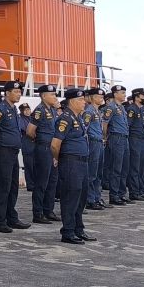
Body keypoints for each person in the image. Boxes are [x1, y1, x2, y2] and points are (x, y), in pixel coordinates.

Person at [0, 82, 30, 234]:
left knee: (13, 186)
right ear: (7, 93)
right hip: (3, 151)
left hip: (13, 151)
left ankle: (12, 217)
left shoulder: (13, 109)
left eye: (19, 91)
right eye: (16, 91)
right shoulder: (1, 109)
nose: (19, 94)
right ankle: (0, 221)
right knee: (3, 187)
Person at [51, 87, 93, 245]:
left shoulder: (78, 117)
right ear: (73, 101)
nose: (84, 102)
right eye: (81, 100)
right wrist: (58, 159)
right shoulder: (65, 118)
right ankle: (68, 231)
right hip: (70, 162)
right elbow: (55, 144)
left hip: (82, 162)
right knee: (70, 197)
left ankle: (78, 229)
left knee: (81, 197)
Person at [27, 84, 61, 224]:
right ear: (43, 96)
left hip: (52, 149)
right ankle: (38, 213)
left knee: (52, 181)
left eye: (55, 94)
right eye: (52, 95)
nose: (54, 97)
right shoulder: (39, 110)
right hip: (43, 149)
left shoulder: (52, 110)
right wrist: (40, 140)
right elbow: (30, 131)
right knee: (42, 182)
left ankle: (49, 210)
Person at [102, 85, 130, 205]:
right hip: (116, 138)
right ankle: (114, 195)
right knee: (116, 168)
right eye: (122, 92)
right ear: (115, 94)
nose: (124, 95)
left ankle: (121, 193)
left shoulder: (122, 107)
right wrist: (104, 137)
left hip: (124, 138)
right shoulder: (110, 107)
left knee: (124, 168)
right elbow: (104, 124)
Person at [84, 88, 107, 210]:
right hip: (93, 142)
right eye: (98, 96)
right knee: (92, 172)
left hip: (99, 142)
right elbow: (85, 130)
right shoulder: (89, 111)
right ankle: (90, 199)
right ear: (92, 97)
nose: (101, 97)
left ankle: (97, 198)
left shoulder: (97, 111)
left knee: (98, 172)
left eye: (102, 96)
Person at [126, 88, 144, 201]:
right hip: (134, 140)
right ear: (137, 97)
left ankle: (139, 190)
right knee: (135, 167)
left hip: (142, 139)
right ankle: (134, 192)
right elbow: (128, 126)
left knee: (141, 166)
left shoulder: (142, 109)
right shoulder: (132, 109)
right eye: (143, 96)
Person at [18, 102, 35, 192]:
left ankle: (34, 183)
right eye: (26, 110)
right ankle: (30, 184)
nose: (28, 111)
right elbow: (25, 130)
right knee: (29, 166)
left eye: (29, 109)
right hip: (27, 143)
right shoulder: (21, 119)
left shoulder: (31, 118)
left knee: (34, 165)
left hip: (34, 144)